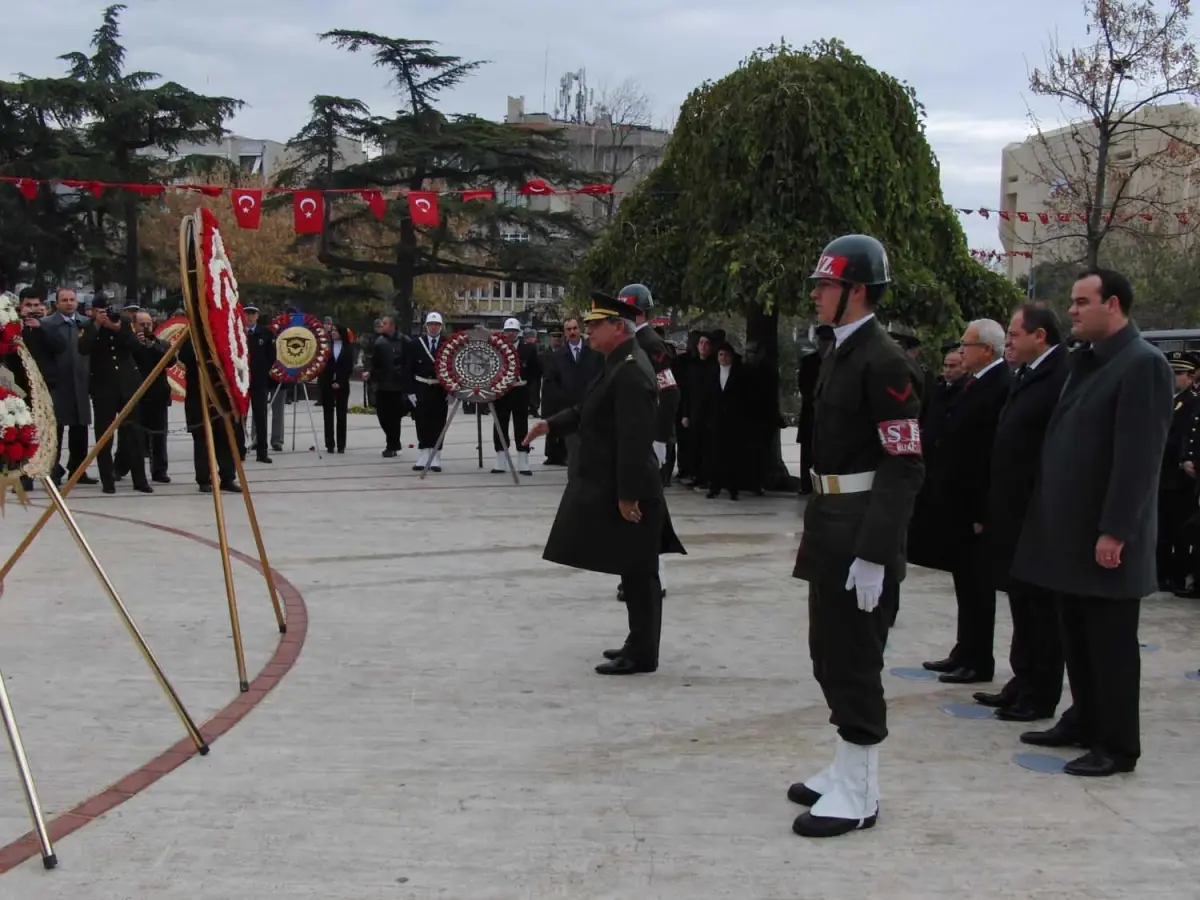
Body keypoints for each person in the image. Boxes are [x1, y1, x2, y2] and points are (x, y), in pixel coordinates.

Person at [787, 234, 924, 839]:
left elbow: (905, 462)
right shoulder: (842, 350)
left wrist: (875, 554)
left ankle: (862, 790)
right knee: (828, 653)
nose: (816, 295)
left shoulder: (884, 360)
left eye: (826, 286)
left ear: (857, 292)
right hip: (831, 518)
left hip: (861, 528)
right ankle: (845, 765)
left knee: (854, 657)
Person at [1012, 267, 1172, 777]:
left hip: (1106, 539)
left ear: (1115, 305)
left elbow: (1137, 460)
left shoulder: (1141, 365)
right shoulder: (1089, 363)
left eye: (1083, 302)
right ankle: (1082, 720)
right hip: (1069, 535)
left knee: (1109, 645)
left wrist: (1116, 530)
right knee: (1076, 637)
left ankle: (1117, 745)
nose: (1073, 311)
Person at [524, 294, 686, 676]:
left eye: (596, 324)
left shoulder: (630, 369)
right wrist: (552, 424)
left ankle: (644, 653)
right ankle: (636, 642)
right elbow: (588, 409)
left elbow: (633, 438)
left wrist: (628, 495)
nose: (589, 330)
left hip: (634, 488)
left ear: (618, 327)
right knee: (631, 569)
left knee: (640, 571)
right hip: (619, 482)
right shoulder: (616, 363)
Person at [974, 304, 1069, 722]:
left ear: (1040, 336)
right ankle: (1022, 679)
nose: (1008, 342)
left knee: (1040, 608)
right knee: (1021, 602)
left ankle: (1040, 691)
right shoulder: (1028, 374)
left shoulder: (1060, 375)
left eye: (1014, 334)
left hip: (1038, 511)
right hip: (1012, 510)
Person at [1155, 351, 1199, 592]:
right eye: (1173, 371)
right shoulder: (1171, 399)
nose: (1175, 377)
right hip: (1164, 476)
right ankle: (1162, 573)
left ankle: (1176, 575)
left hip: (1179, 477)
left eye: (1179, 373)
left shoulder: (1192, 402)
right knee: (1162, 528)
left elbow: (1181, 438)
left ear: (1191, 377)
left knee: (1178, 530)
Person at [491, 317, 541, 476]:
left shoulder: (529, 349)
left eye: (513, 331)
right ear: (504, 332)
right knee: (500, 424)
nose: (511, 334)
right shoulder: (497, 348)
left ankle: (523, 459)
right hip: (502, 391)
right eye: (508, 331)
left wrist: (526, 384)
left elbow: (536, 371)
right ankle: (500, 458)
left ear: (518, 332)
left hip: (520, 391)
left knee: (521, 425)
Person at [408, 312, 448, 471]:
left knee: (439, 422)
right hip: (422, 387)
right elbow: (408, 368)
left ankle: (436, 455)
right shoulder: (416, 344)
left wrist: (452, 391)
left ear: (440, 326)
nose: (433, 327)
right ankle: (424, 453)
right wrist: (410, 391)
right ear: (426, 326)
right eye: (431, 325)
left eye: (436, 325)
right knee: (422, 421)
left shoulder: (447, 343)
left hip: (441, 388)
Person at [319, 322, 355, 454]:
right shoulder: (327, 347)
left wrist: (340, 381)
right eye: (332, 331)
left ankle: (341, 444)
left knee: (341, 415)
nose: (333, 333)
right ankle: (329, 444)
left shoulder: (348, 348)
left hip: (342, 385)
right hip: (327, 384)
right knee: (328, 415)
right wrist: (329, 381)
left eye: (335, 331)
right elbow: (322, 366)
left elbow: (349, 367)